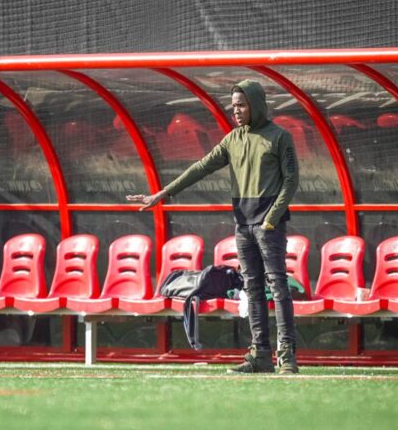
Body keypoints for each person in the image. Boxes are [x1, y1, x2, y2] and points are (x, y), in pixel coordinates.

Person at [126, 80, 300, 374]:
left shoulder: (279, 137)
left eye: (241, 105)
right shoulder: (232, 140)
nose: (236, 111)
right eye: (233, 106)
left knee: (278, 287)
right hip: (243, 225)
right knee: (252, 289)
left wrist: (272, 218)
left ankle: (287, 357)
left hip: (269, 227)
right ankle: (260, 356)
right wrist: (161, 194)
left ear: (256, 105)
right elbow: (200, 167)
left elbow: (291, 181)